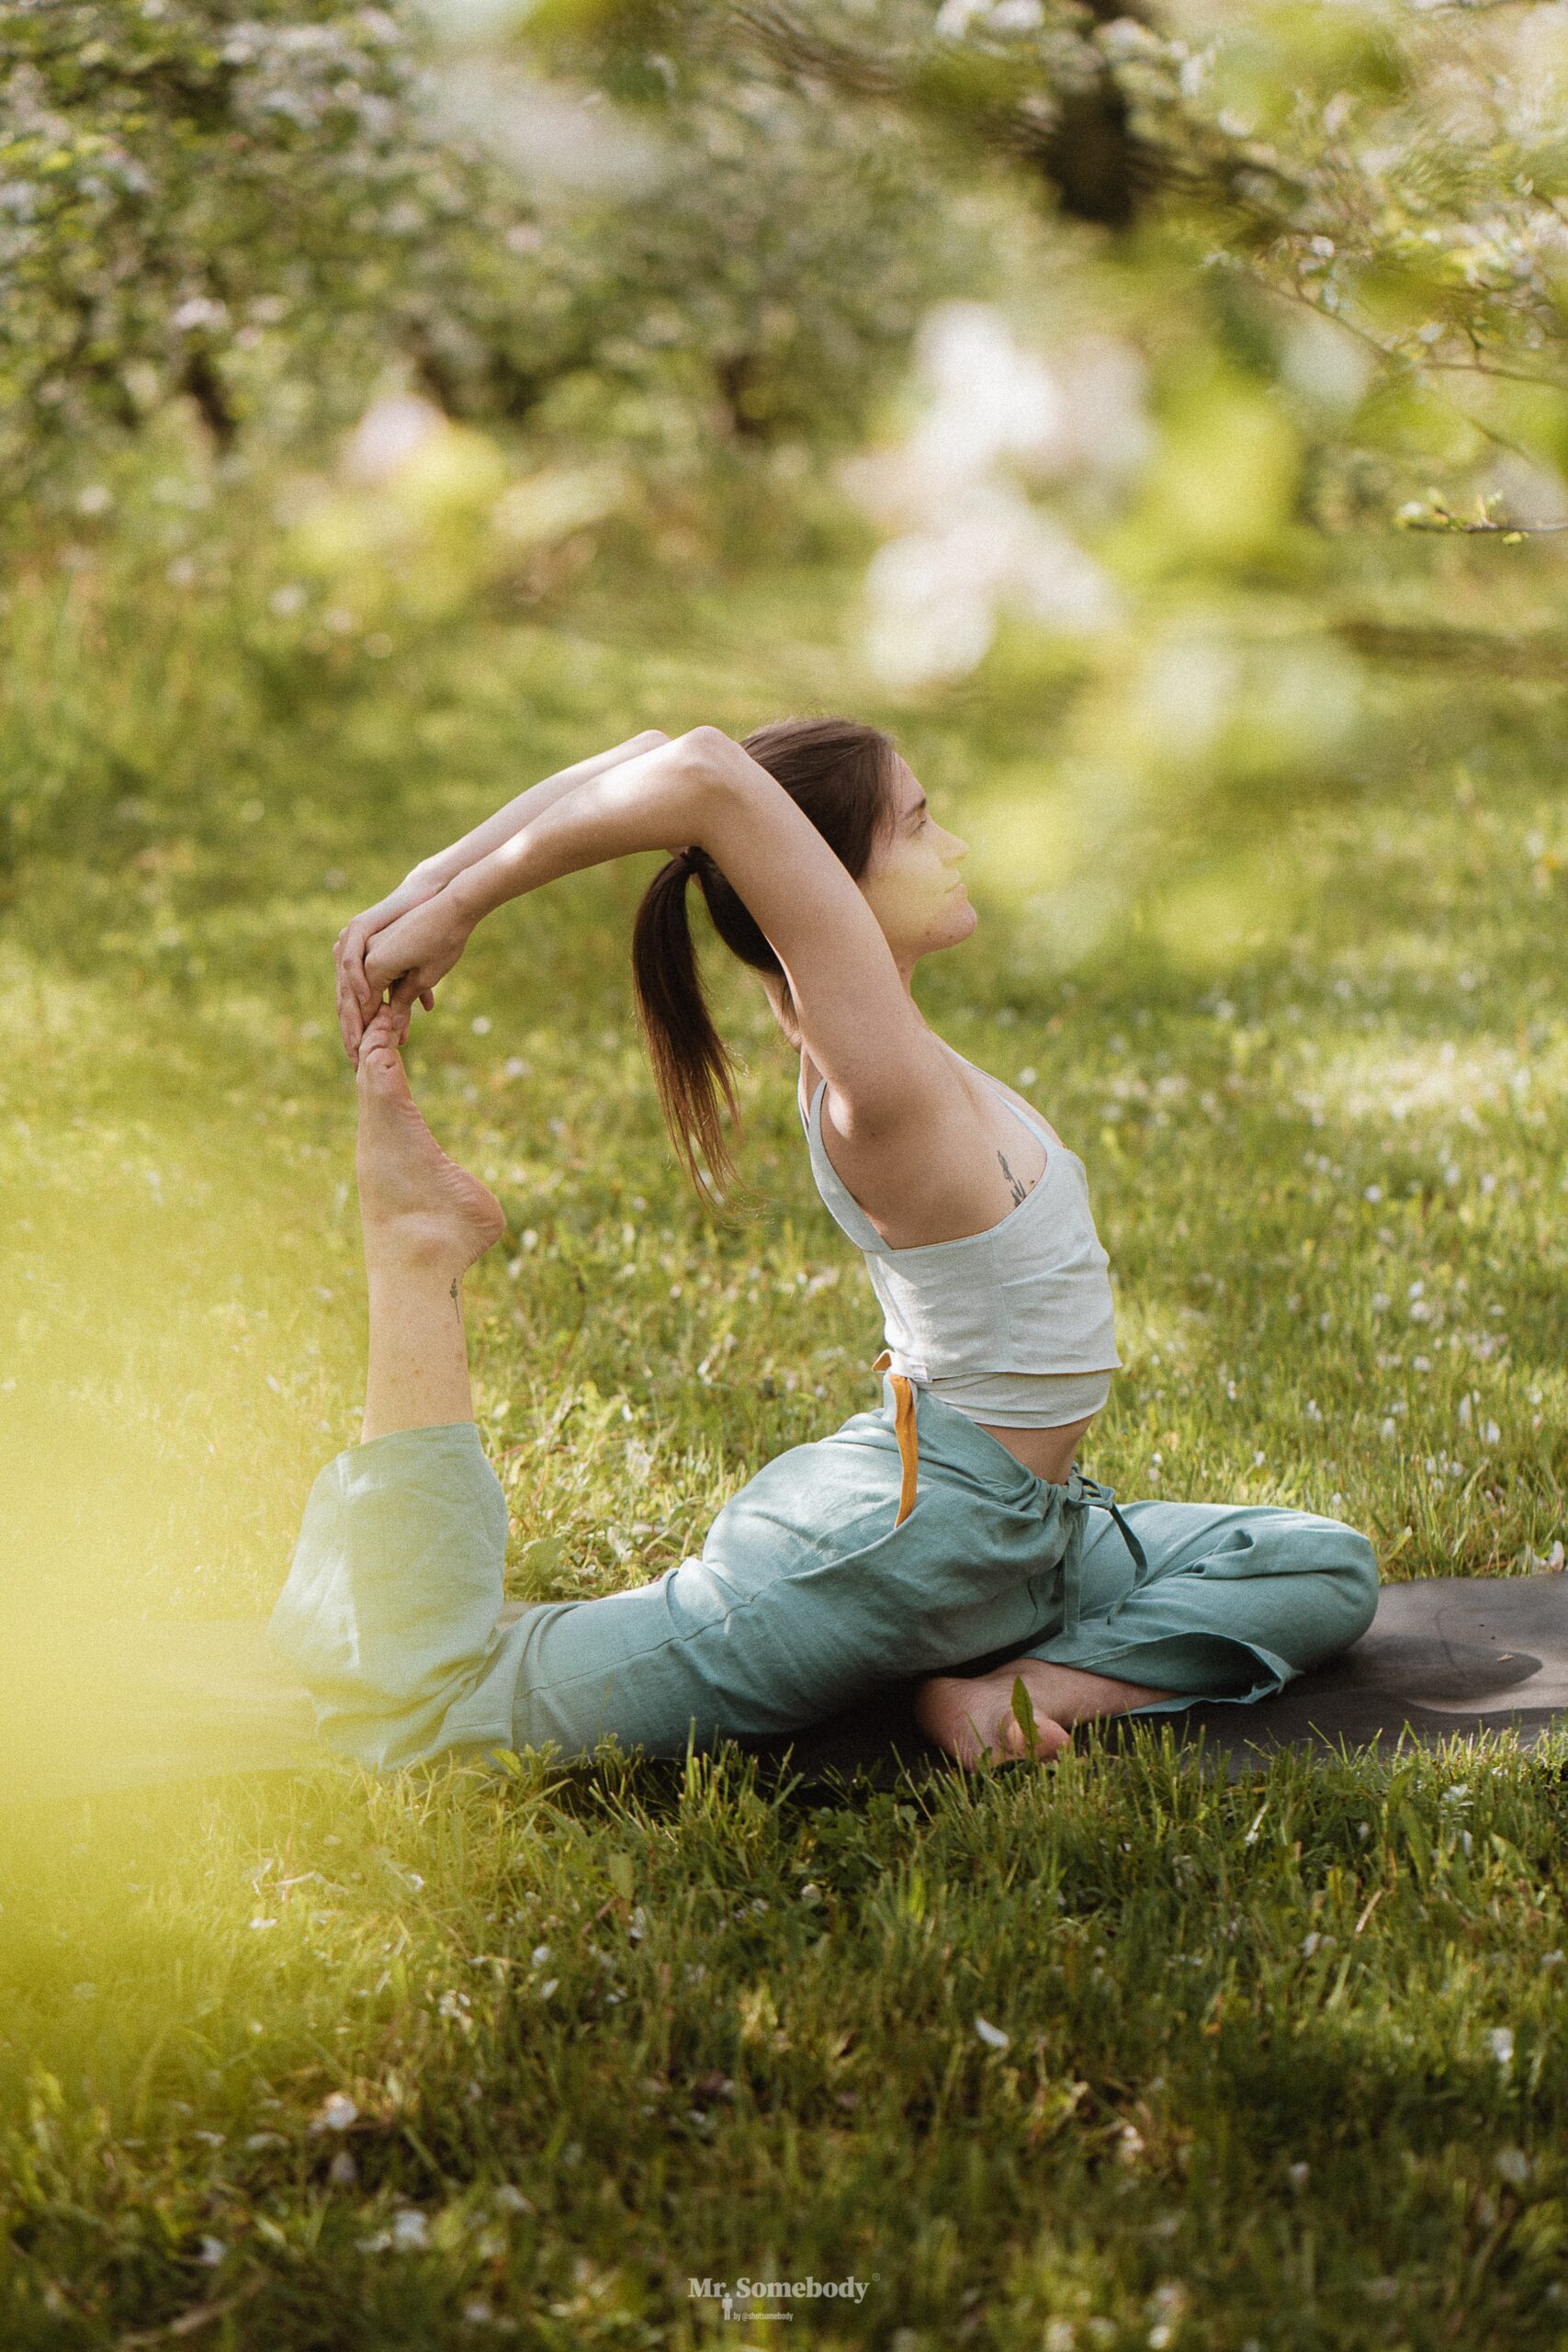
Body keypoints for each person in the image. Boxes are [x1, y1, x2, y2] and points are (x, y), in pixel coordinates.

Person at [271, 720, 1378, 1774]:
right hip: (913, 1539)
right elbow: (701, 774)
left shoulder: (891, 1056)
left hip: (1024, 1532)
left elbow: (663, 764)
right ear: (825, 889)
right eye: (917, 824)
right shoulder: (879, 1090)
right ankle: (414, 1245)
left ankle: (1009, 1690)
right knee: (422, 1711)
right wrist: (461, 905)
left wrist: (425, 882)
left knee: (1318, 1563)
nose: (954, 848)